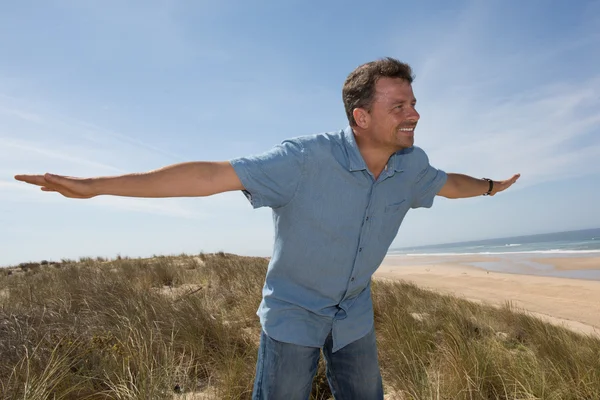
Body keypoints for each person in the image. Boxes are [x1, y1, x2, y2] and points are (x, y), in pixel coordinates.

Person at [15, 57, 520, 400]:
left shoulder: (412, 166)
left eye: (413, 103)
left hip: (354, 312)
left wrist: (493, 185)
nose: (415, 114)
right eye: (400, 107)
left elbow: (449, 183)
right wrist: (97, 185)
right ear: (361, 117)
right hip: (293, 309)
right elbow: (209, 175)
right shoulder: (302, 159)